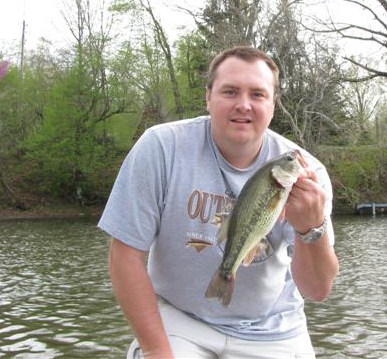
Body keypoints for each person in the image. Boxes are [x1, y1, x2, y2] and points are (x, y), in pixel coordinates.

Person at [99, 46, 339, 359]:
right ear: (208, 97)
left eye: (258, 94)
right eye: (230, 91)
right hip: (180, 319)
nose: (244, 105)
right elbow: (125, 256)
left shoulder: (308, 174)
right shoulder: (161, 148)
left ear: (272, 104)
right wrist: (157, 350)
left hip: (274, 328)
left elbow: (317, 290)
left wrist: (311, 228)